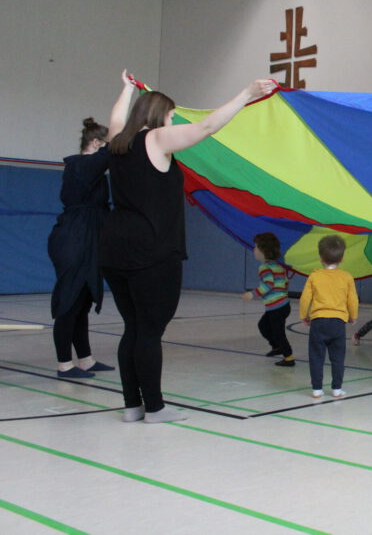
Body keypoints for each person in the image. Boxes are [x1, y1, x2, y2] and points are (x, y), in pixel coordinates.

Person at [101, 73, 275, 423]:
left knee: (133, 328)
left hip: (115, 249)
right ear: (159, 116)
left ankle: (133, 406)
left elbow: (116, 117)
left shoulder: (117, 142)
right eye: (170, 116)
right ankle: (155, 408)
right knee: (150, 331)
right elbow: (207, 127)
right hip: (152, 251)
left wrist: (126, 89)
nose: (171, 122)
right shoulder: (156, 139)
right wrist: (247, 93)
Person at [48, 98, 131, 378]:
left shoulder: (92, 172)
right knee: (69, 301)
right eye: (105, 145)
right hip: (74, 239)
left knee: (82, 302)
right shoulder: (80, 165)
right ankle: (64, 364)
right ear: (96, 143)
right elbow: (111, 150)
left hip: (89, 237)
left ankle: (85, 359)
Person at [300, 234, 358, 399]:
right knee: (338, 357)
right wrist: (353, 316)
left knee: (316, 356)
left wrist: (304, 315)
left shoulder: (315, 276)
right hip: (338, 322)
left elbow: (305, 298)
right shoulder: (346, 277)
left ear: (320, 258)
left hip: (318, 321)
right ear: (342, 258)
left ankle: (317, 389)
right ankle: (336, 388)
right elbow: (352, 299)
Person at [241, 232, 294, 367]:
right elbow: (285, 282)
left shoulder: (265, 267)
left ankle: (288, 357)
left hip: (277, 307)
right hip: (282, 306)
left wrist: (252, 294)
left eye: (256, 247)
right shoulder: (278, 266)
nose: (254, 249)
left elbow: (268, 285)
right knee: (263, 325)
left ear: (263, 250)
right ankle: (277, 346)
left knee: (278, 332)